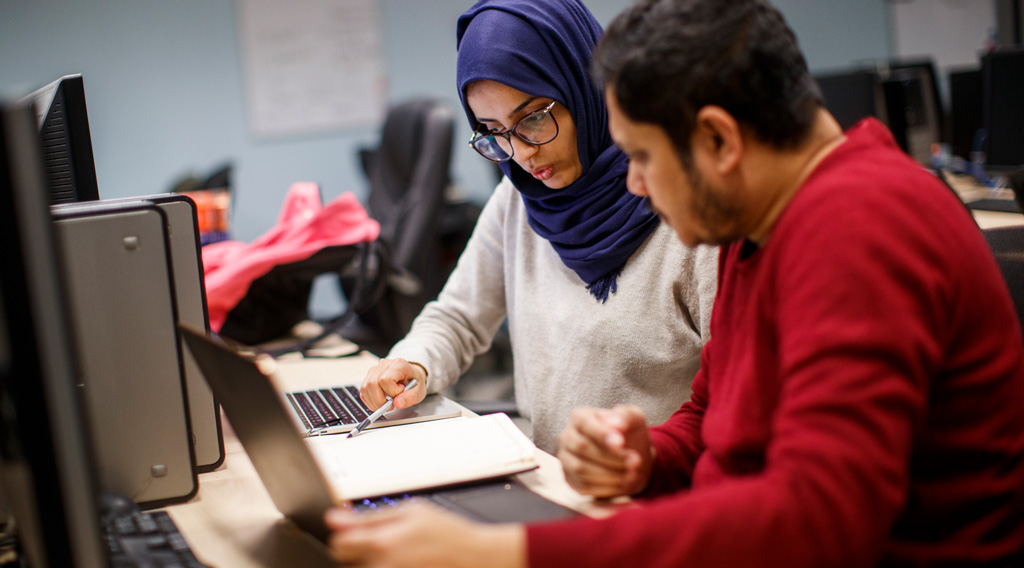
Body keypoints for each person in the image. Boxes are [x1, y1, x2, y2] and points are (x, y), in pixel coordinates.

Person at [326, 0, 1024, 566]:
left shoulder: (860, 227)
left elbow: (817, 519)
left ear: (718, 140)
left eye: (639, 157)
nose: (629, 183)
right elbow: (713, 420)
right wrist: (647, 458)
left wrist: (506, 551)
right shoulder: (762, 224)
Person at [357, 0, 717, 454]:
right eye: (493, 131)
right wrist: (414, 361)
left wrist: (640, 461)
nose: (522, 153)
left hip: (652, 492)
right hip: (549, 475)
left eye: (531, 119)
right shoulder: (519, 199)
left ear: (586, 87)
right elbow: (459, 316)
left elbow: (731, 405)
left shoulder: (686, 214)